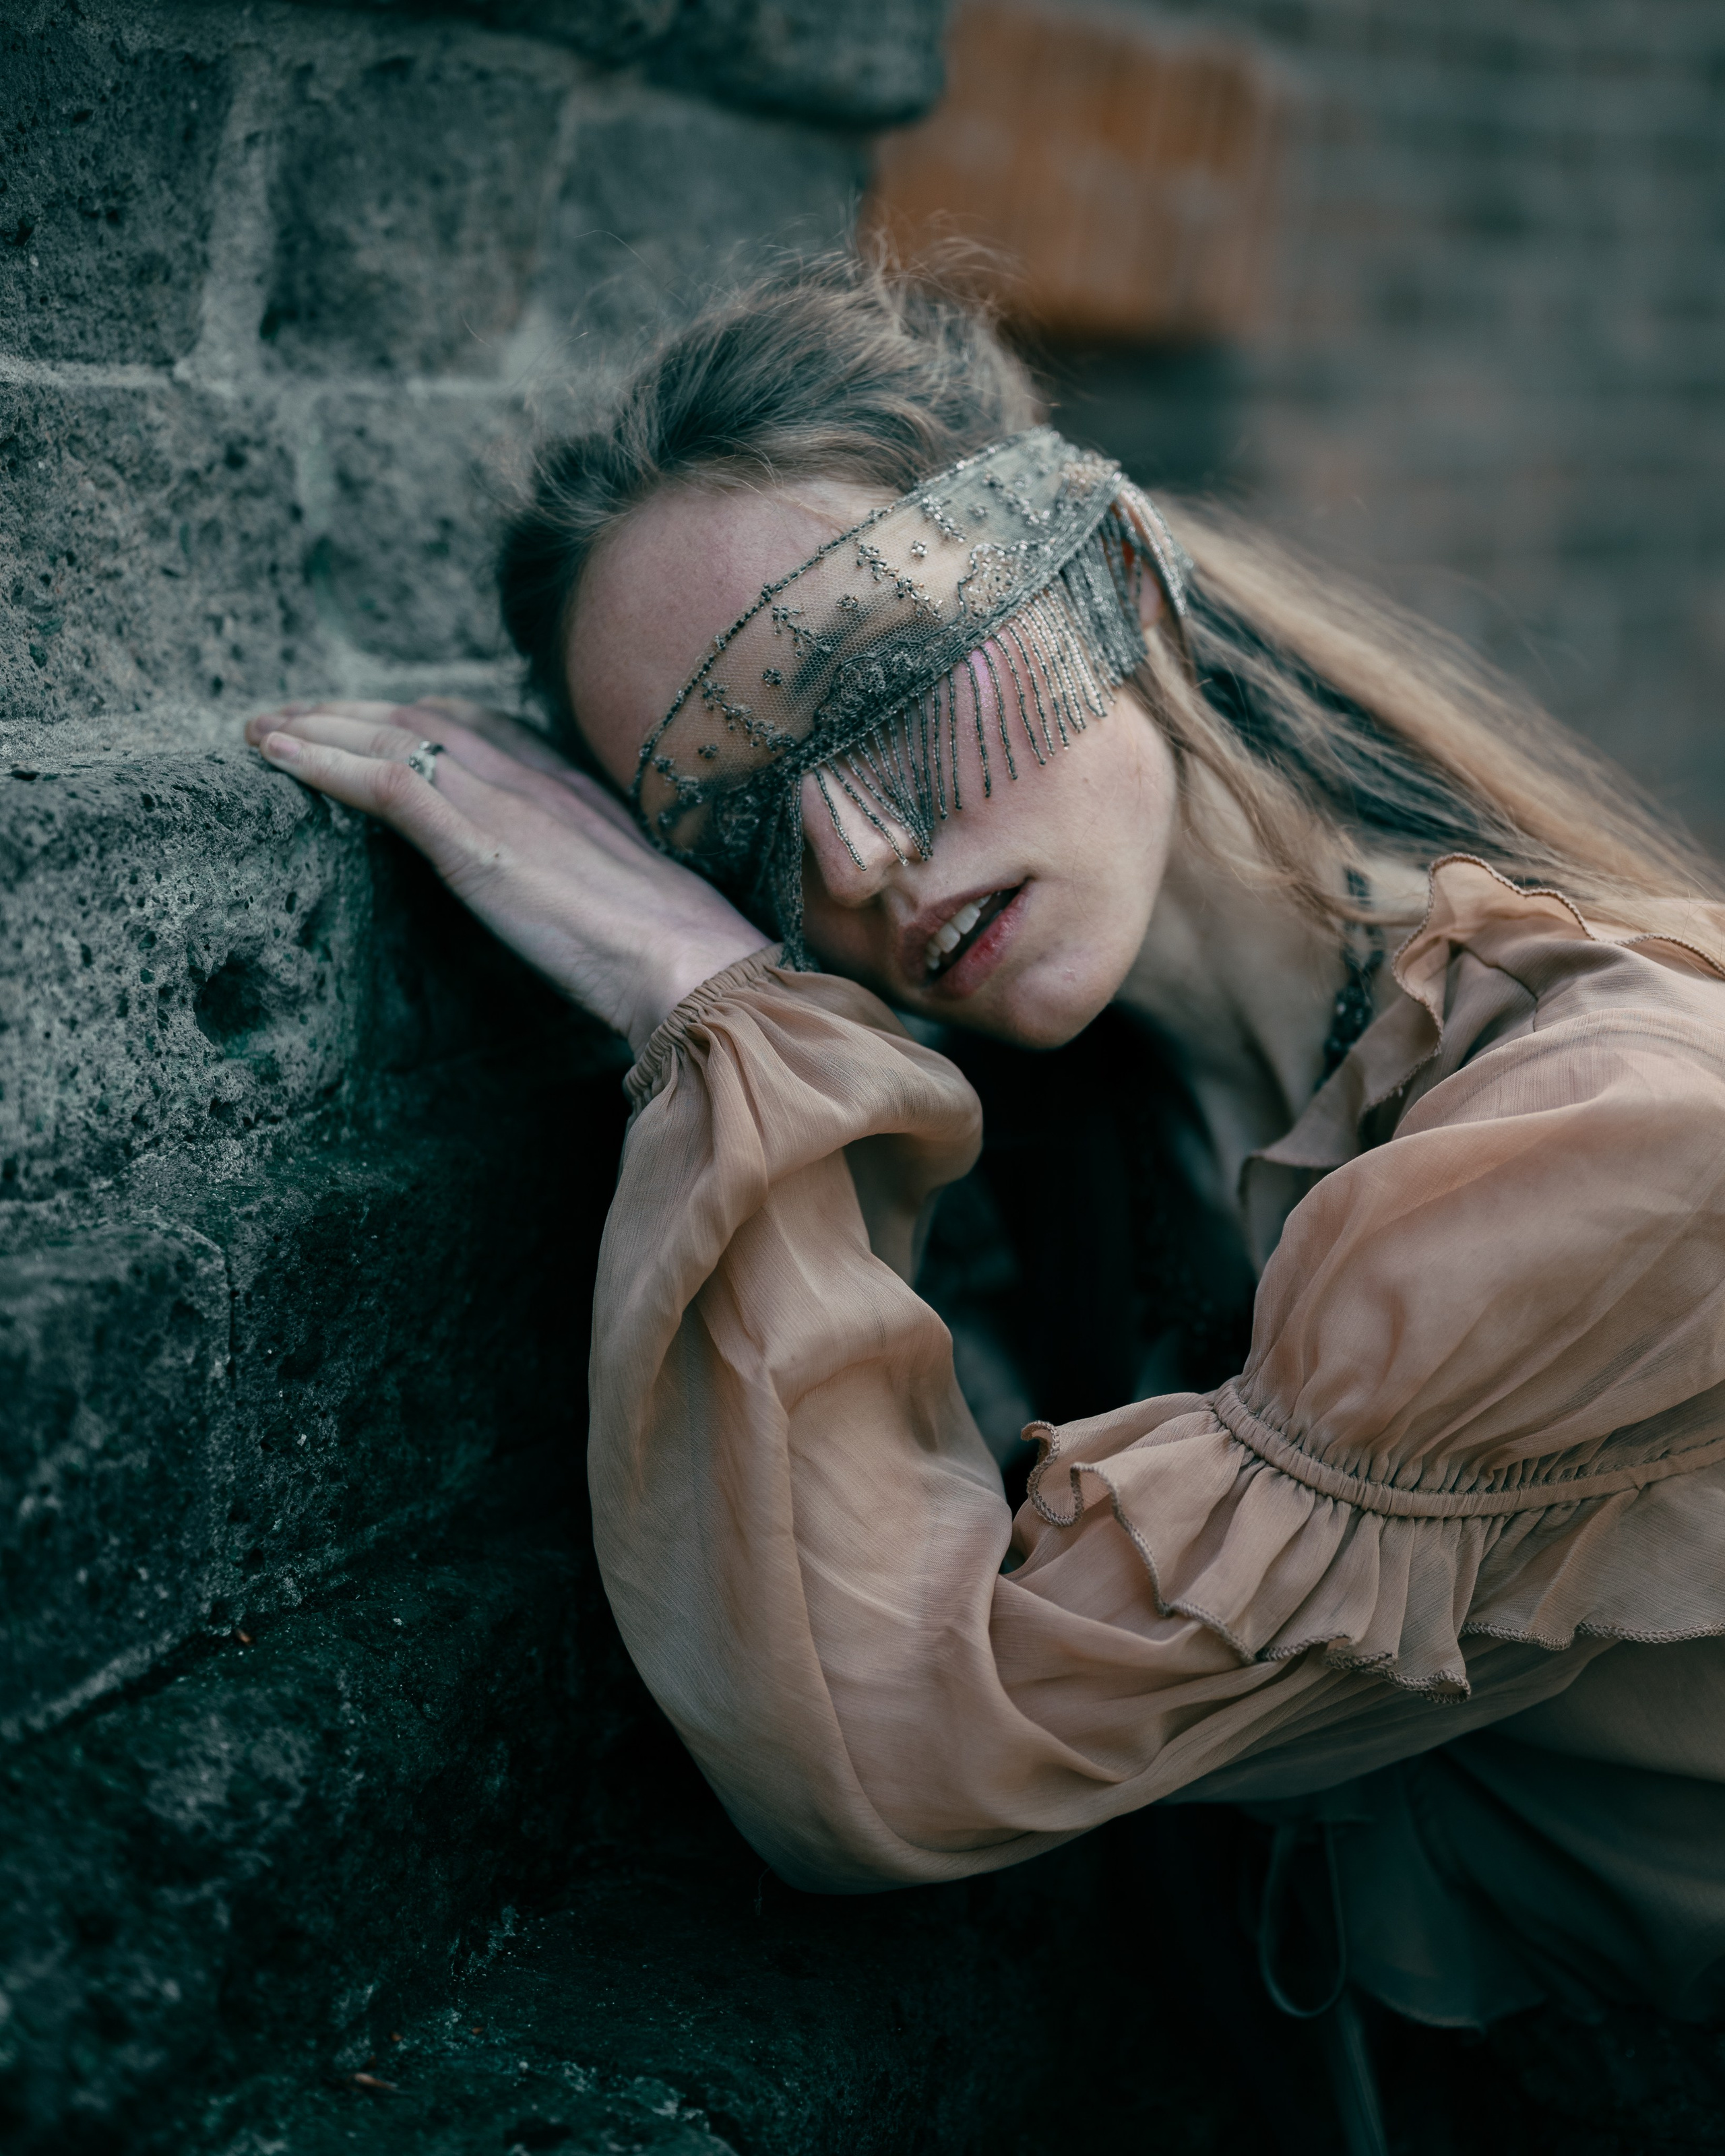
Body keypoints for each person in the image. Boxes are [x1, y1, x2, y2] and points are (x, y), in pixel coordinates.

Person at [246, 254, 1725, 2038]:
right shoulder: (1104, 1149)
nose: (856, 862)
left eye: (879, 684)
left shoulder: (1624, 1130)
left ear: (1108, 579)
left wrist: (709, 990)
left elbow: (907, 1752)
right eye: (731, 829)